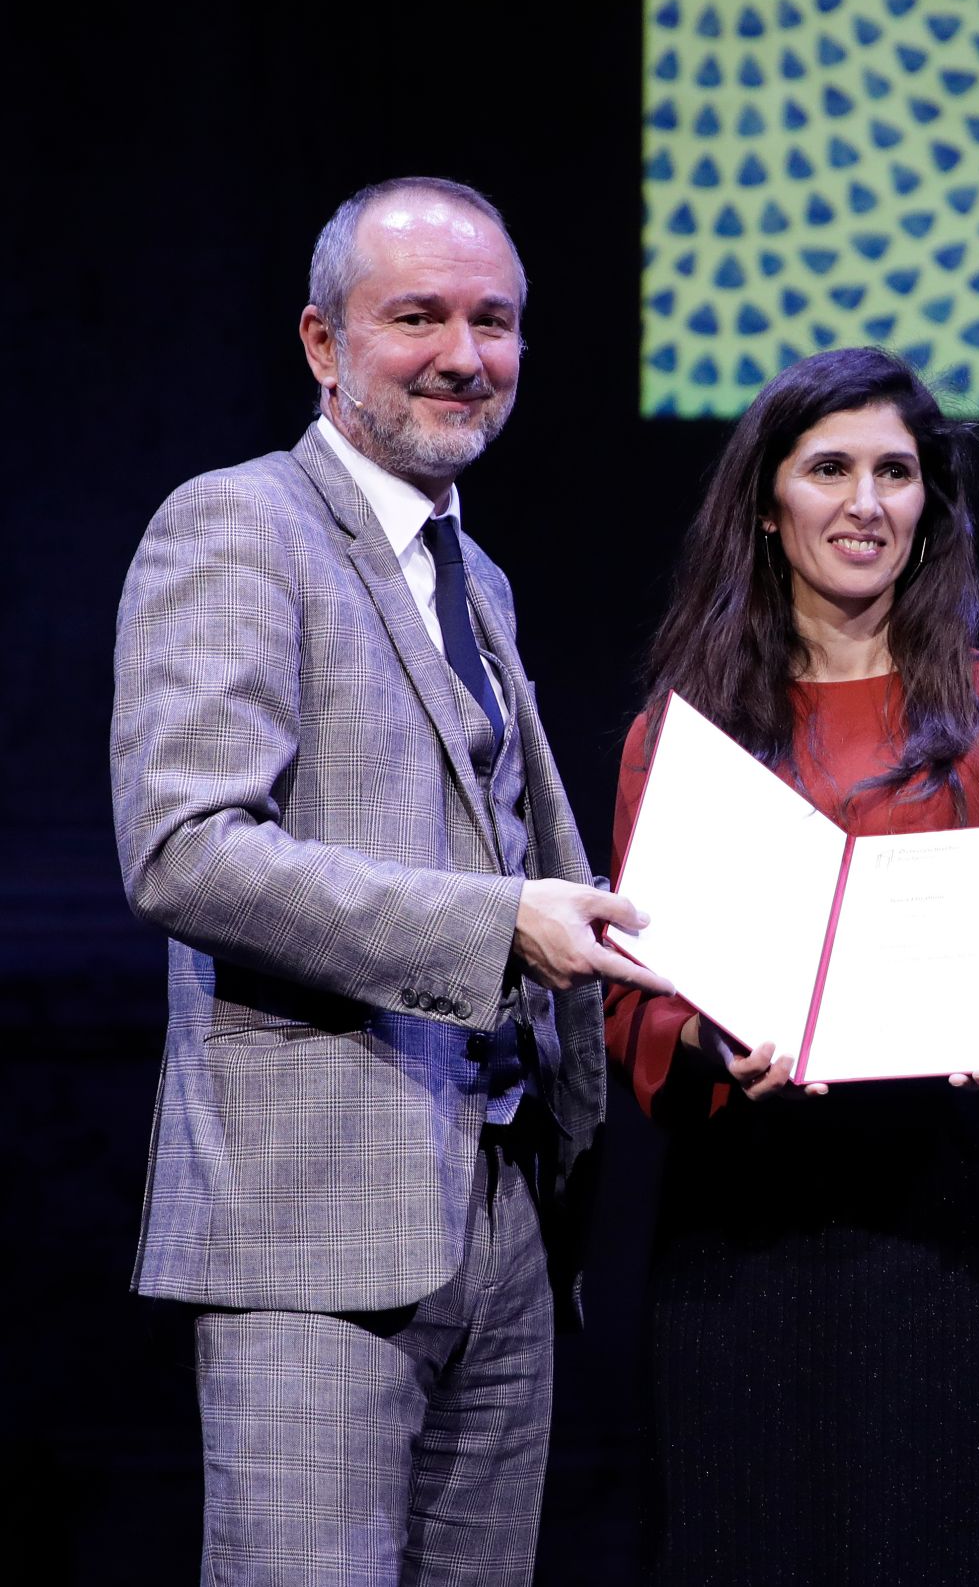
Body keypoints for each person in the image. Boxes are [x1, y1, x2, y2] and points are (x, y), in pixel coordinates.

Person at [110, 176, 669, 1583]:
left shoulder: (472, 572)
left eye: (496, 320)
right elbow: (185, 849)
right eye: (416, 316)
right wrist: (500, 925)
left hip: (503, 1206)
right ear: (321, 343)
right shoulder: (235, 525)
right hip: (312, 1226)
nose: (463, 353)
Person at [604, 347, 979, 1586]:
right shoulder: (683, 730)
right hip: (739, 1237)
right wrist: (707, 1041)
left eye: (895, 471)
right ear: (768, 505)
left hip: (947, 1235)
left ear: (930, 503)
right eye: (828, 469)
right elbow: (631, 1003)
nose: (865, 502)